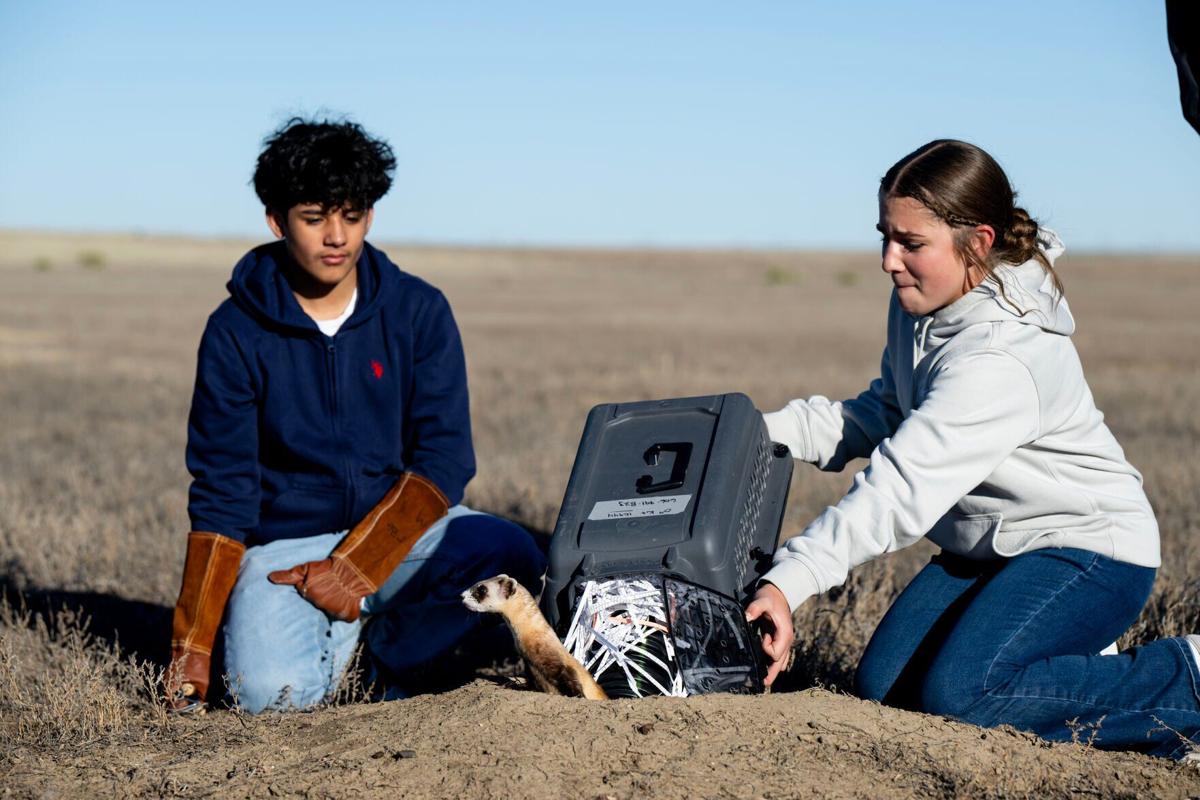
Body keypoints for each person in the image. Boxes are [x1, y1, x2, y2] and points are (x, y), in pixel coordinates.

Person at [745, 139, 1200, 759]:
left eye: (910, 243)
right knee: (886, 691)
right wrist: (755, 431)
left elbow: (900, 490)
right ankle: (1072, 667)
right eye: (884, 235)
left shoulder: (999, 358)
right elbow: (886, 411)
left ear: (978, 243)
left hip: (1088, 548)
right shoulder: (925, 302)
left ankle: (1186, 679)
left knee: (964, 694)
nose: (888, 260)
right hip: (989, 546)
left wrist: (788, 581)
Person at [166, 118, 545, 714]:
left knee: (509, 554)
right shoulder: (234, 331)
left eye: (352, 214)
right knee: (268, 700)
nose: (336, 236)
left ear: (370, 214)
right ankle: (341, 652)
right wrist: (192, 643)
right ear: (276, 219)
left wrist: (357, 569)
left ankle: (384, 655)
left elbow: (445, 458)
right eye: (314, 218)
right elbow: (222, 490)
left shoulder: (419, 310)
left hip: (398, 535)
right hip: (283, 558)